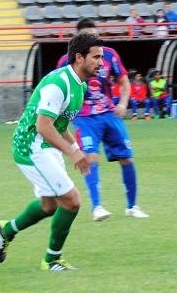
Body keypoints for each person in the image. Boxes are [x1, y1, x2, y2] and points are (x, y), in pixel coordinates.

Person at [0, 33, 100, 271]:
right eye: (96, 57)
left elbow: (59, 125)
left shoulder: (79, 85)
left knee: (49, 206)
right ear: (79, 57)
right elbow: (43, 125)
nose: (101, 62)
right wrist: (73, 154)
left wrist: (75, 149)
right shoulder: (58, 83)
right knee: (72, 201)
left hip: (46, 144)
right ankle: (51, 260)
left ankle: (7, 230)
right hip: (31, 145)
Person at [56, 20, 148, 222]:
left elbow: (124, 81)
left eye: (96, 36)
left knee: (127, 157)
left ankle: (132, 206)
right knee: (91, 158)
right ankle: (97, 207)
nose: (95, 41)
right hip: (85, 117)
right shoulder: (66, 61)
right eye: (89, 36)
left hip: (109, 113)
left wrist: (123, 103)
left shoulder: (110, 55)